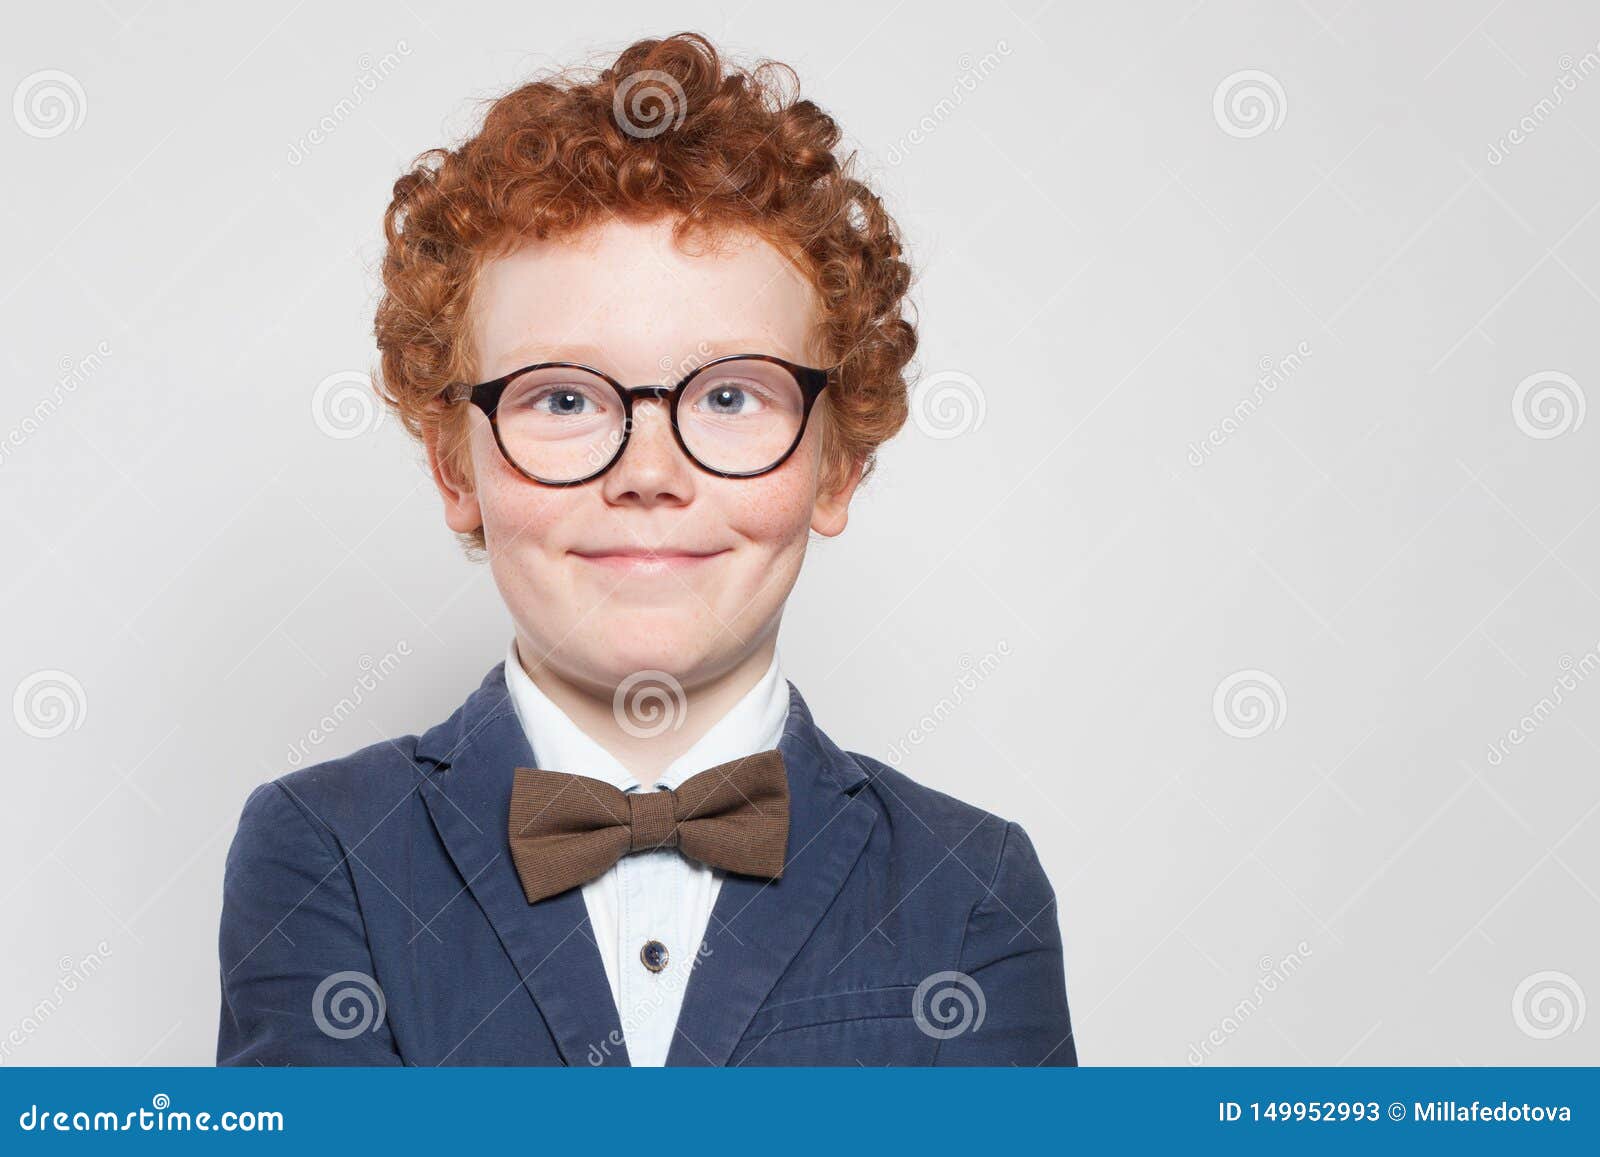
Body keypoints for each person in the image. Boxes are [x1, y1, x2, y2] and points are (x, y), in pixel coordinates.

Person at [217, 30, 1076, 1067]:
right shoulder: (326, 850)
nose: (651, 470)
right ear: (457, 470)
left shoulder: (970, 886)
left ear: (836, 464)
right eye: (565, 397)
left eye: (729, 395)